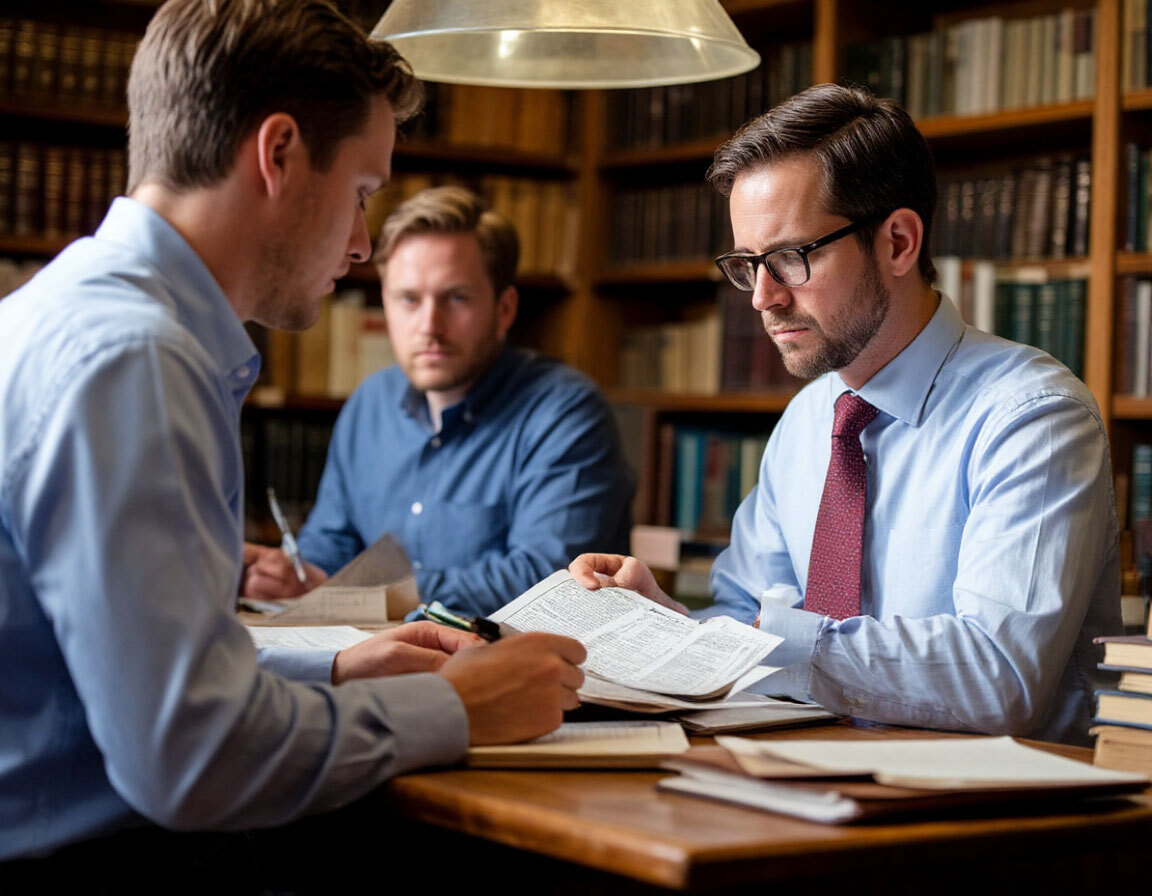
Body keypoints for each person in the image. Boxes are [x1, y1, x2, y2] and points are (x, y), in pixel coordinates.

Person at [0, 0, 586, 867]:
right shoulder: (137, 362)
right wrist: (462, 709)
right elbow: (190, 759)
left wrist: (337, 670)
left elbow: (120, 684)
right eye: (359, 194)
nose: (359, 244)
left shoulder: (51, 314)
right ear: (277, 154)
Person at [571, 83, 1120, 746]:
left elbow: (997, 677)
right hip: (805, 776)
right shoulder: (809, 419)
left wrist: (759, 641)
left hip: (990, 823)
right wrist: (666, 626)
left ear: (897, 243)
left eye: (790, 258)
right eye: (747, 265)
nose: (762, 299)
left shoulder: (1032, 418)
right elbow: (749, 617)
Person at [241, 185, 633, 615]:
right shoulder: (369, 403)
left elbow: (547, 576)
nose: (429, 325)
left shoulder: (565, 412)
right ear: (386, 305)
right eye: (408, 299)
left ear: (504, 309)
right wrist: (292, 574)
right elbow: (330, 545)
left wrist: (369, 593)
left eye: (456, 298)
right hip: (377, 652)